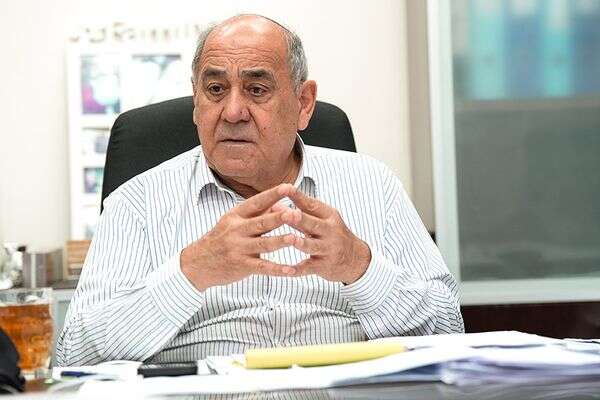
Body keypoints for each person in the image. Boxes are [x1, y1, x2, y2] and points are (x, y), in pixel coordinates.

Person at [57, 14, 463, 366]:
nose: (233, 112)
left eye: (256, 90)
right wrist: (190, 272)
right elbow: (74, 354)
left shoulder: (373, 185)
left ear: (304, 103)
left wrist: (359, 266)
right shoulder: (137, 202)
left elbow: (449, 330)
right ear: (196, 100)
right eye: (216, 90)